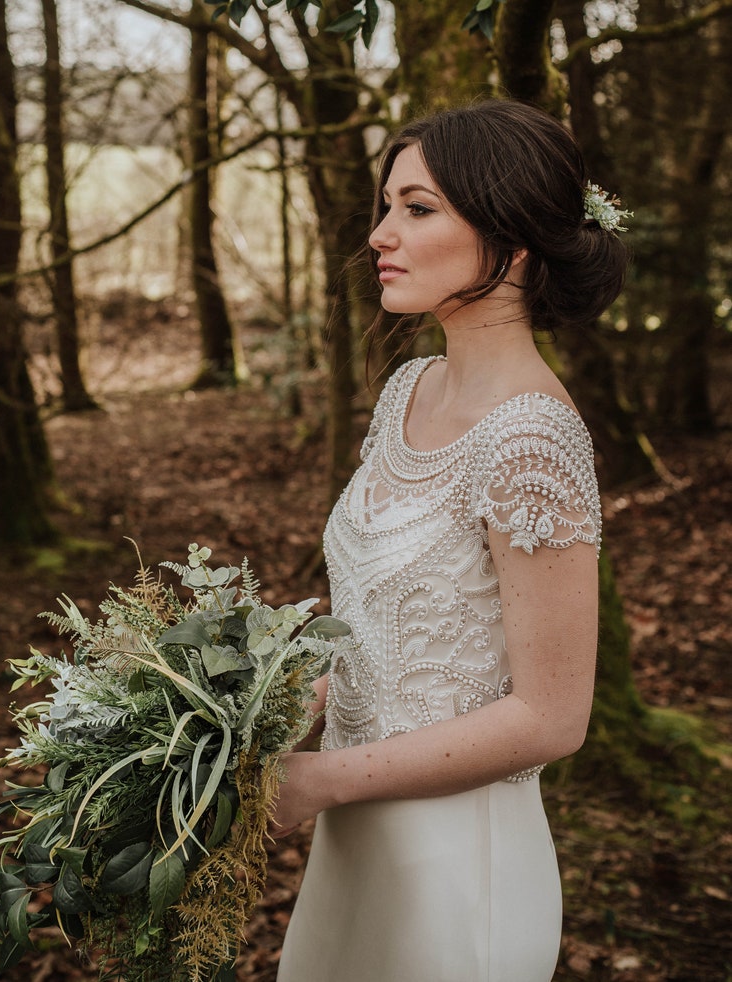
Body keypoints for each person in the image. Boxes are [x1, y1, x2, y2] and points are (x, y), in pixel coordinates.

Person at [272, 99, 629, 982]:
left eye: (418, 208)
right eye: (386, 204)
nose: (381, 234)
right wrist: (261, 712)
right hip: (355, 853)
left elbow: (553, 717)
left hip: (457, 872)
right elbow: (387, 622)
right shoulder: (408, 390)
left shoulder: (532, 441)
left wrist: (318, 781)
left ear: (510, 244)